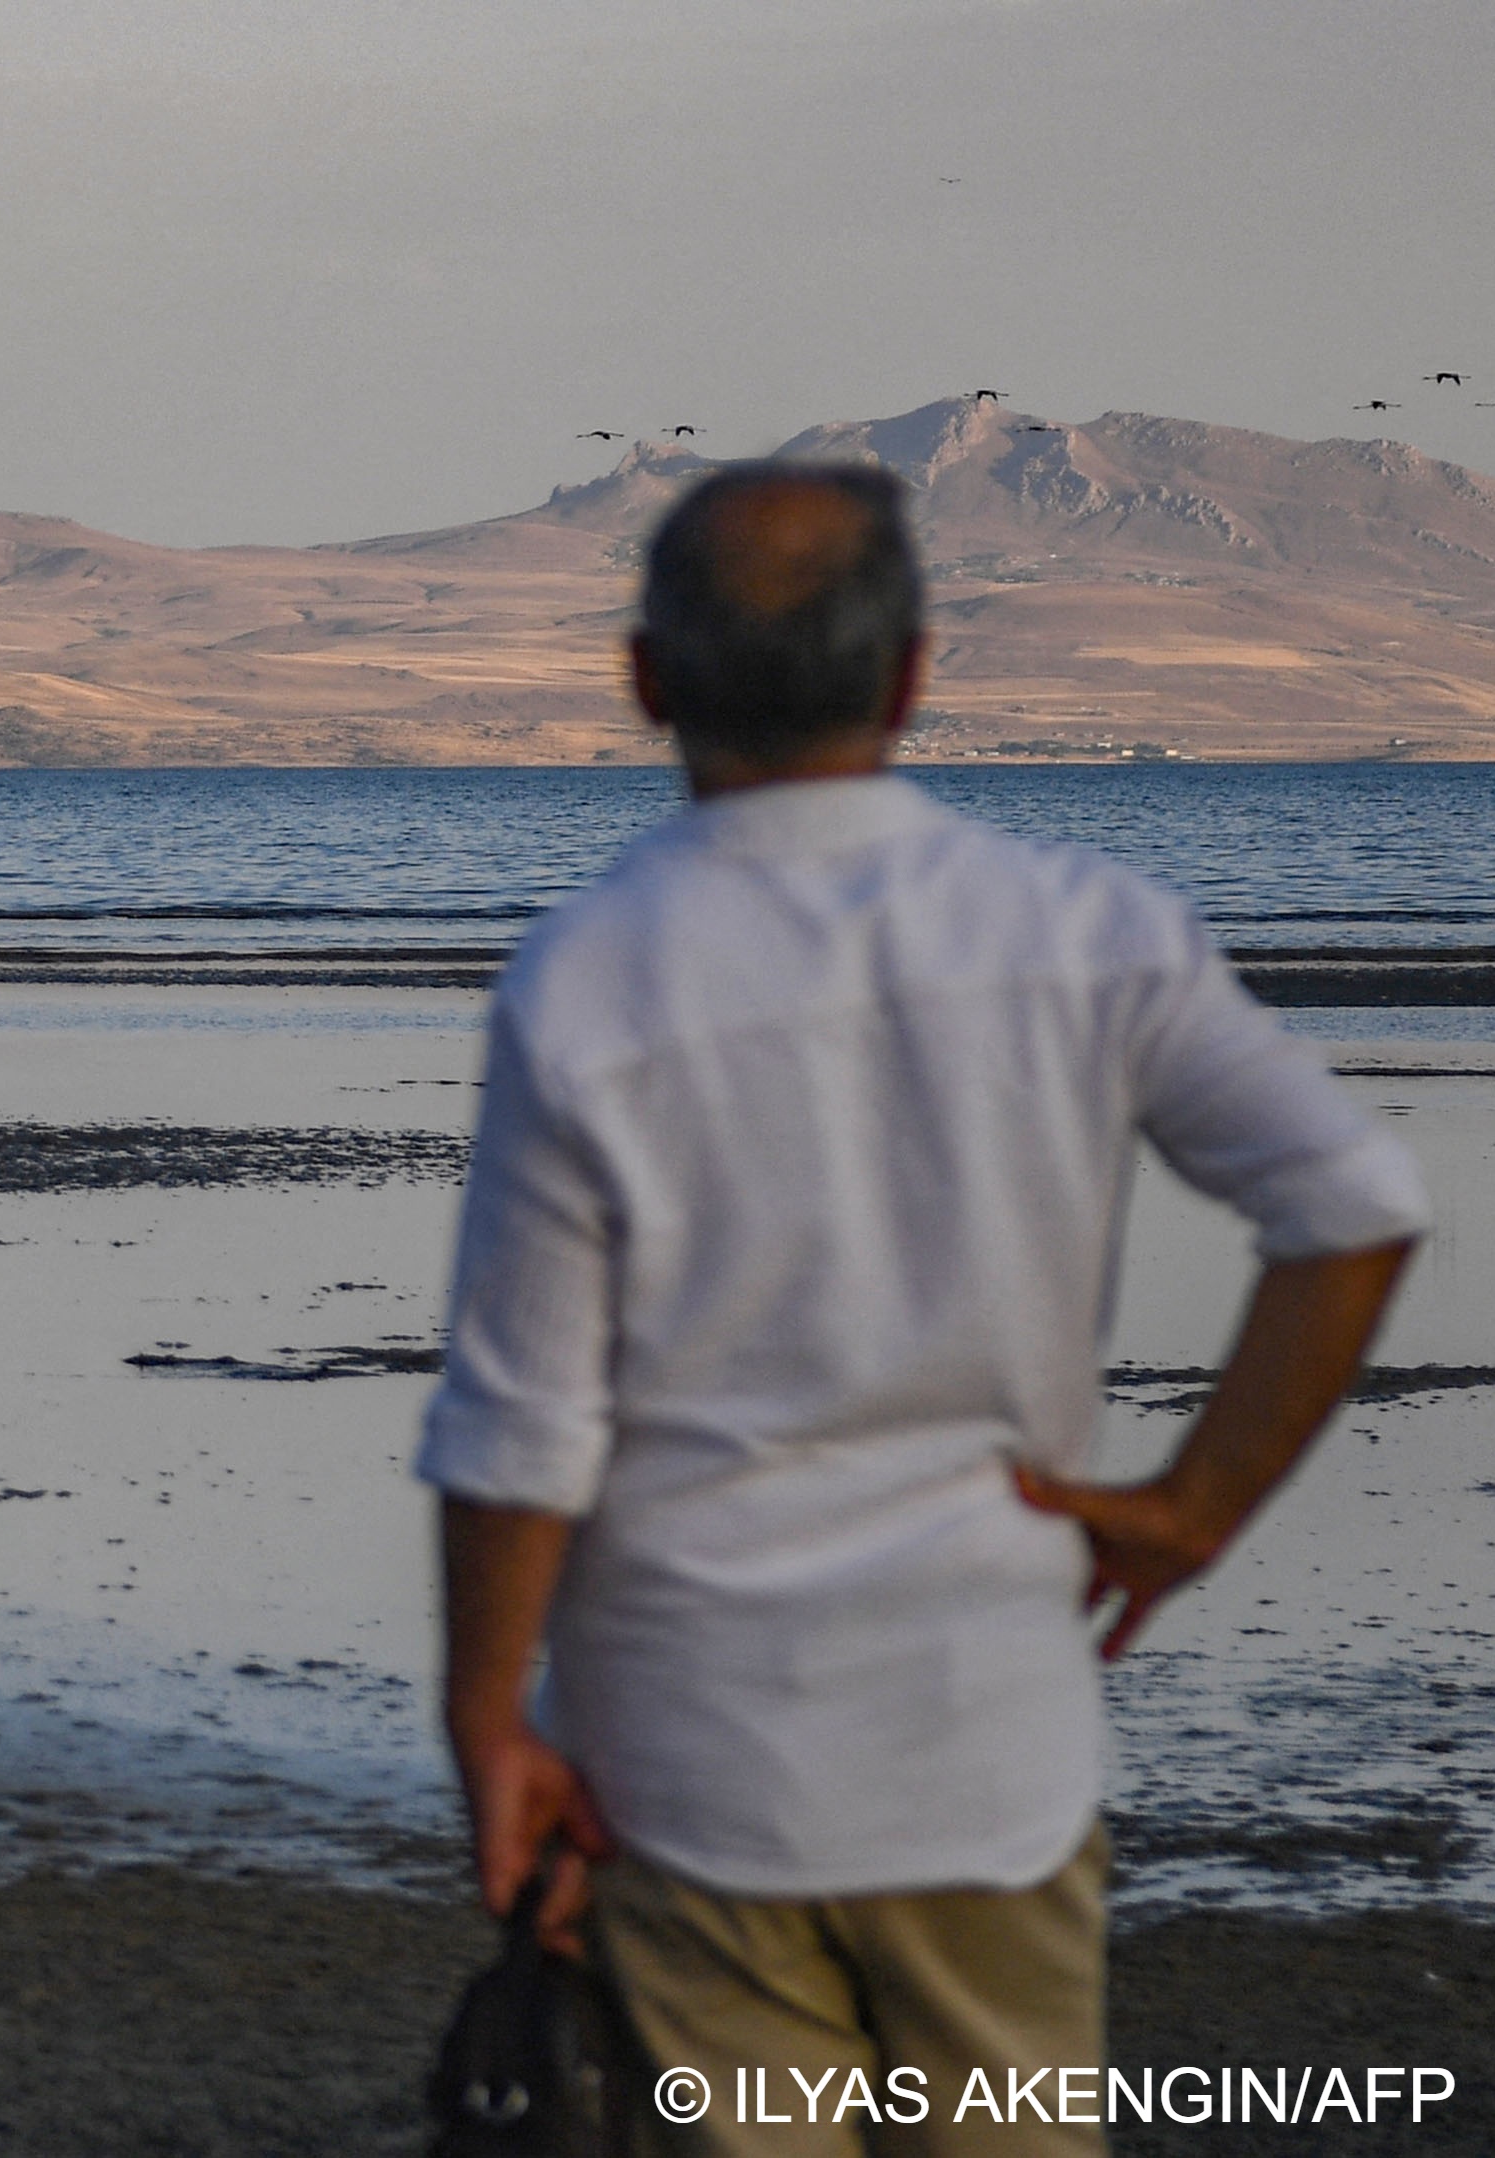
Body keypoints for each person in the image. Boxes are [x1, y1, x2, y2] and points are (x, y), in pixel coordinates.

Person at [419, 463, 1427, 2156]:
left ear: (646, 680)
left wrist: (485, 1714)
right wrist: (1193, 1507)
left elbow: (526, 1421)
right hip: (988, 1746)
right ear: (913, 675)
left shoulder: (592, 979)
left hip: (692, 1750)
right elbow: (1353, 1207)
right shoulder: (1086, 932)